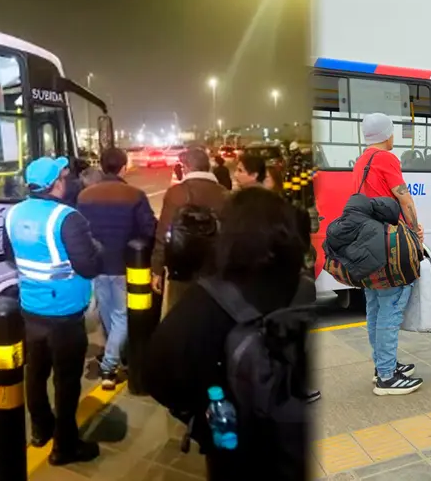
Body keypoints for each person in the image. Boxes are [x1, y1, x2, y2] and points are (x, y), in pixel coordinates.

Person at [143, 188, 310, 480]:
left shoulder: (209, 299)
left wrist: (201, 412)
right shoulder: (308, 287)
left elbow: (157, 374)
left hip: (237, 447)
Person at [2, 157, 103, 465]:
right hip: (64, 315)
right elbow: (88, 265)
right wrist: (97, 250)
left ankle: (40, 429)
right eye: (64, 175)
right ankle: (65, 446)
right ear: (55, 184)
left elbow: (10, 257)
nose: (68, 179)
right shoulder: (67, 218)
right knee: (67, 381)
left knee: (35, 372)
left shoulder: (13, 213)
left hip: (31, 309)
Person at [351, 113, 424, 394]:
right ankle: (386, 377)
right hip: (388, 242)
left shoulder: (361, 161)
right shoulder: (386, 158)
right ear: (387, 134)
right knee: (391, 307)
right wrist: (415, 229)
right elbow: (403, 197)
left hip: (365, 241)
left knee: (375, 306)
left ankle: (384, 365)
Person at [76, 147, 157, 389]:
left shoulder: (85, 196)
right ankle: (110, 366)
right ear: (123, 167)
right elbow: (148, 229)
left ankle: (116, 357)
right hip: (124, 265)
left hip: (97, 265)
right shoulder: (134, 194)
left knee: (109, 314)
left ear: (102, 166)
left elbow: (81, 229)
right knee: (122, 316)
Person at [151, 147, 228, 318]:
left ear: (186, 167)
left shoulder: (177, 192)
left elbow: (164, 233)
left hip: (183, 269)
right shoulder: (224, 193)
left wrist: (157, 269)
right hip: (215, 268)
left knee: (181, 317)